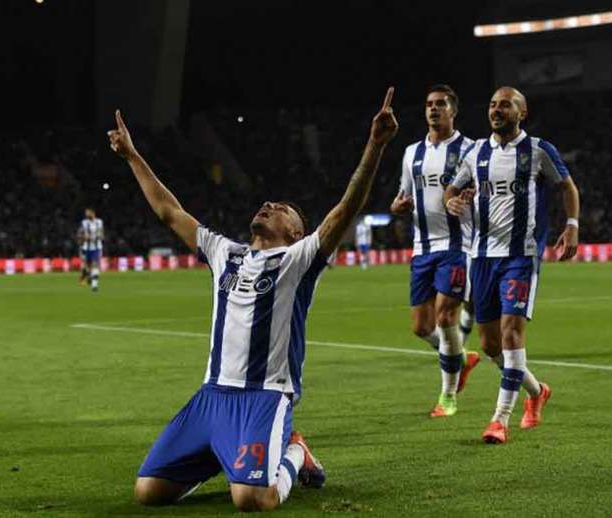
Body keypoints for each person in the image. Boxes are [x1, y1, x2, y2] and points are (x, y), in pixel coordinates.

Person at [108, 88, 399, 511]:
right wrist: (133, 156)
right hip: (211, 396)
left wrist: (374, 146)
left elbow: (346, 207)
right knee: (148, 492)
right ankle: (222, 454)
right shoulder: (223, 251)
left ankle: (296, 452)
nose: (267, 205)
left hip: (265, 396)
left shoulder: (299, 259)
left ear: (297, 233)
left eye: (279, 208)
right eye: (267, 203)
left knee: (252, 500)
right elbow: (169, 212)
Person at [444, 86, 580, 444]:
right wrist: (453, 203)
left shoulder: (538, 150)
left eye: (506, 104)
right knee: (490, 345)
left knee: (511, 335)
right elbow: (451, 191)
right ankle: (537, 391)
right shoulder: (475, 152)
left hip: (522, 256)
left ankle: (499, 420)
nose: (496, 109)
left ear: (523, 112)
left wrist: (571, 225)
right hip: (483, 256)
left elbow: (567, 186)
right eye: (492, 104)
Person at [389, 85, 480, 418]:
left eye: (440, 104)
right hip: (422, 248)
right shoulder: (412, 152)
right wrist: (397, 205)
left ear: (453, 110)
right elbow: (402, 196)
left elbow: (486, 193)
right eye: (429, 104)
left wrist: (470, 198)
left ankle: (448, 396)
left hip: (457, 245)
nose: (433, 109)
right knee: (420, 327)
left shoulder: (472, 150)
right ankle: (461, 358)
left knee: (446, 317)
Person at [78, 208, 104, 291]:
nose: (86, 214)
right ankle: (86, 275)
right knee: (86, 267)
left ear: (93, 213)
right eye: (86, 213)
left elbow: (102, 234)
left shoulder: (99, 222)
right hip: (86, 248)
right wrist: (83, 238)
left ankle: (94, 286)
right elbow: (79, 235)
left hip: (96, 248)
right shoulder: (84, 223)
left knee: (95, 265)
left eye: (88, 212)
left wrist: (98, 236)